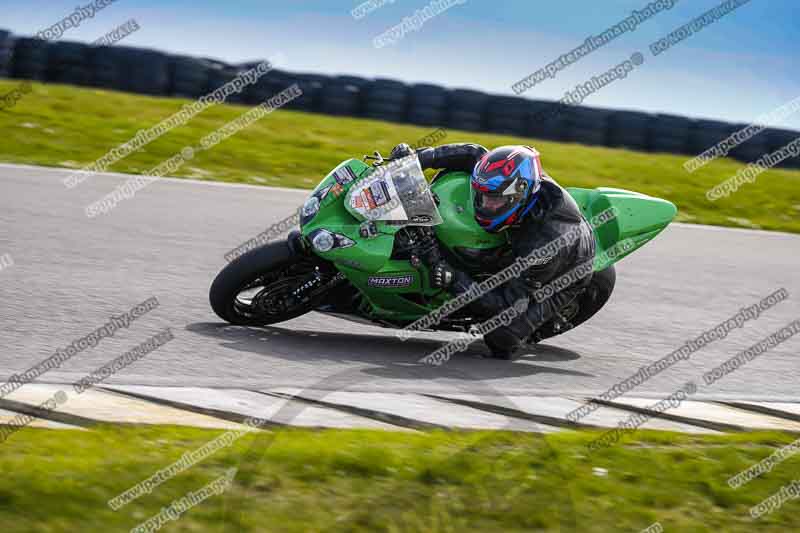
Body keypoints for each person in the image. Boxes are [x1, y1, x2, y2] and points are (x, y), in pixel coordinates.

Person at [390, 142, 609, 359]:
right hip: (527, 242)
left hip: (569, 270)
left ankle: (531, 331)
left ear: (518, 195)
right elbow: (474, 153)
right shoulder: (509, 181)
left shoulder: (544, 245)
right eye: (482, 196)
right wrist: (419, 159)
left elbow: (504, 304)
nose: (485, 205)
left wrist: (454, 279)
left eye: (494, 200)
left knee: (501, 337)